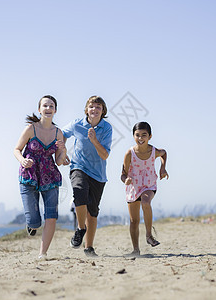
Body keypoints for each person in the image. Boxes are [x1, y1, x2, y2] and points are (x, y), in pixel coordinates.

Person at [14, 95, 67, 259]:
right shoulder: (31, 129)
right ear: (39, 109)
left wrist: (63, 150)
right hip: (29, 176)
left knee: (51, 217)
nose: (48, 108)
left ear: (55, 110)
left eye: (51, 106)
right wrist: (23, 160)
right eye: (45, 105)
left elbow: (59, 161)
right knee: (34, 221)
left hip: (50, 177)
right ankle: (32, 225)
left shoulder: (58, 133)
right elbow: (16, 149)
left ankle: (42, 253)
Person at [62, 96, 112, 257]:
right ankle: (80, 229)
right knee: (79, 193)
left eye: (98, 107)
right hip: (78, 167)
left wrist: (94, 140)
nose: (94, 109)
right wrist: (62, 151)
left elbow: (104, 155)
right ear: (87, 109)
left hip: (98, 174)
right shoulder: (77, 124)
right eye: (92, 106)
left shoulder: (106, 128)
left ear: (102, 111)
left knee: (93, 213)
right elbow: (61, 134)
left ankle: (89, 247)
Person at [121, 121, 169, 256]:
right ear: (133, 136)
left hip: (149, 184)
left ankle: (149, 236)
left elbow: (164, 153)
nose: (141, 138)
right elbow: (123, 174)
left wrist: (163, 168)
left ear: (150, 136)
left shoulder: (154, 151)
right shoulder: (129, 153)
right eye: (137, 135)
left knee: (146, 202)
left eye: (144, 135)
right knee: (134, 221)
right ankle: (136, 250)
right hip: (133, 187)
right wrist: (126, 180)